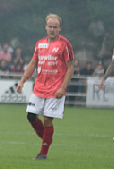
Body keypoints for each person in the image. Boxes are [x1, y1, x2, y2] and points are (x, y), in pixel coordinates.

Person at [17, 14, 74, 160]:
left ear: (60, 28)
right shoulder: (40, 44)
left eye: (55, 27)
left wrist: (63, 87)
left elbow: (70, 67)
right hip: (39, 87)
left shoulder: (64, 44)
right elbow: (33, 63)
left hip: (56, 89)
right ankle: (47, 139)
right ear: (46, 27)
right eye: (50, 26)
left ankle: (43, 152)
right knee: (30, 115)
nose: (52, 29)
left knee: (48, 119)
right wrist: (23, 80)